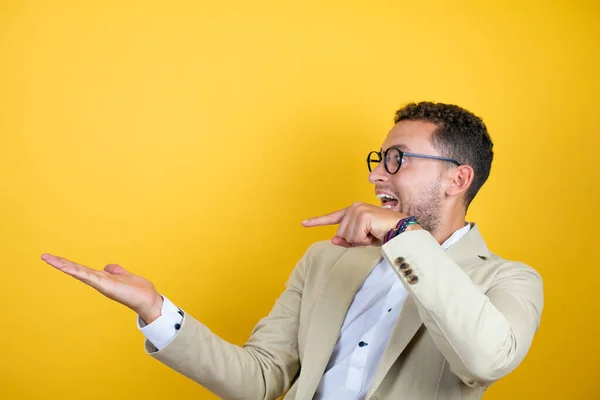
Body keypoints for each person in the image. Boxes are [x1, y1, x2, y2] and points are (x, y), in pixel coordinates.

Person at [42, 101, 544, 400]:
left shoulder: (508, 281)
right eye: (378, 159)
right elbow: (261, 379)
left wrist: (404, 234)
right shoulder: (326, 260)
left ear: (458, 178)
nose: (375, 175)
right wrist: (156, 311)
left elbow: (484, 360)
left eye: (397, 159)